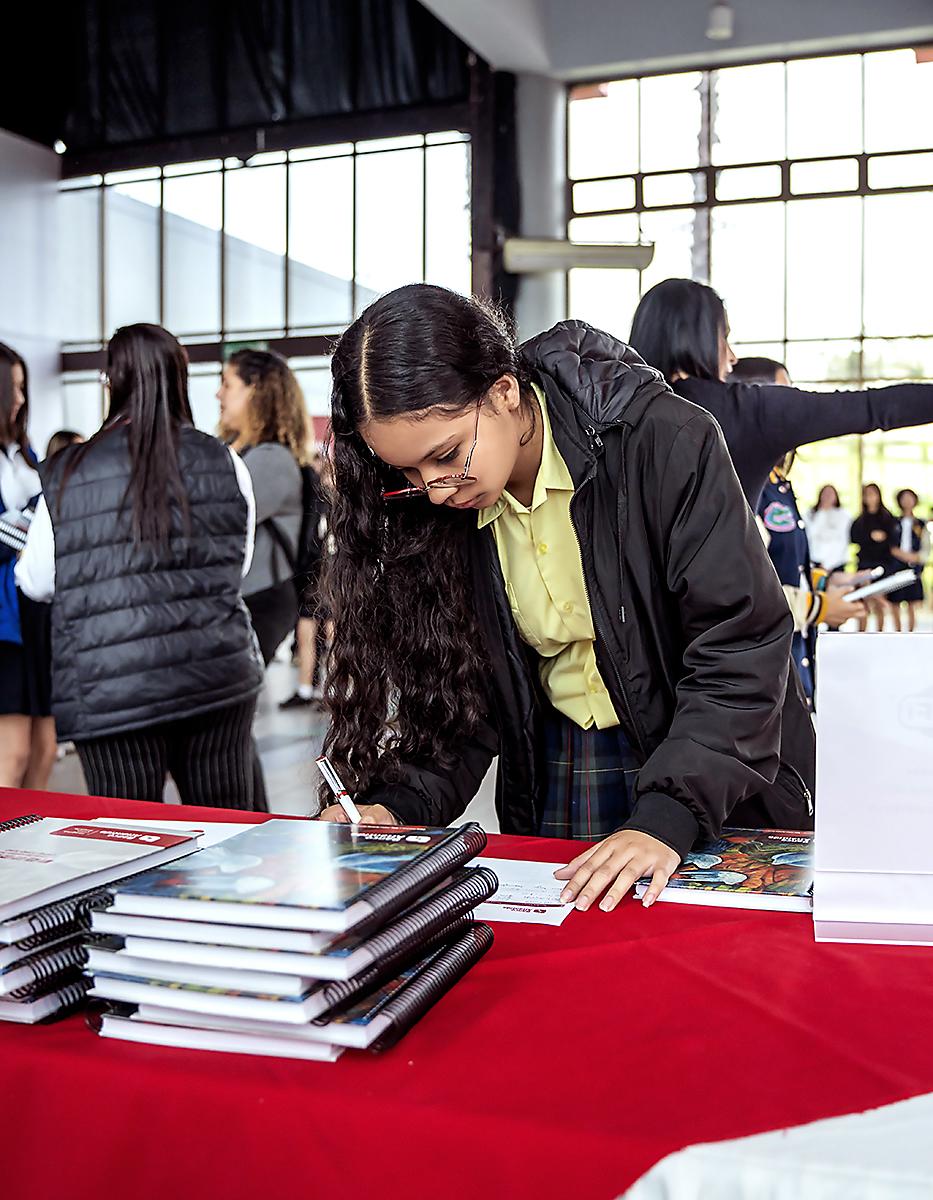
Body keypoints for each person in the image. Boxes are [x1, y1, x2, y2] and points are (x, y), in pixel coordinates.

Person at [316, 284, 814, 913]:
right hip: (557, 763)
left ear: (503, 390)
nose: (435, 489)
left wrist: (667, 813)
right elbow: (462, 689)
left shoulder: (662, 441)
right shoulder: (445, 510)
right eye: (410, 475)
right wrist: (399, 804)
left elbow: (740, 644)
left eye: (445, 456)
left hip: (705, 769)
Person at [16, 324, 265, 808]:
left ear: (113, 380)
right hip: (216, 677)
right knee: (232, 839)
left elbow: (37, 579)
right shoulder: (224, 459)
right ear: (180, 379)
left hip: (112, 690)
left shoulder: (70, 470)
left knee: (128, 840)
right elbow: (239, 562)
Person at [628, 279, 933, 511]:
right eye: (723, 338)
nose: (732, 357)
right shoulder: (749, 412)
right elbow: (873, 408)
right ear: (695, 340)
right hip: (718, 594)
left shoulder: (611, 412)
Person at [730, 357, 865, 706]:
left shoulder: (779, 485)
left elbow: (784, 562)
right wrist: (817, 606)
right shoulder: (744, 486)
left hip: (795, 654)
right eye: (786, 392)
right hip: (764, 666)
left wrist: (826, 582)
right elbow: (738, 589)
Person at [218, 350, 307, 665]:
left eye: (227, 384)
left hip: (260, 599)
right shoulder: (246, 452)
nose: (218, 393)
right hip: (248, 598)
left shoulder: (270, 459)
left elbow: (217, 519)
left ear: (255, 390)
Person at [0, 342, 57, 789]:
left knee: (46, 745)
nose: (20, 399)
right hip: (5, 622)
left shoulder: (24, 453)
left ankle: (25, 842)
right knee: (14, 749)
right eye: (13, 388)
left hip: (35, 608)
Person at [280, 449, 331, 709]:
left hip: (329, 574)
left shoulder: (332, 502)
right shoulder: (315, 501)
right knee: (308, 632)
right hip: (316, 573)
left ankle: (332, 690)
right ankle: (308, 689)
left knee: (330, 633)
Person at [850, 483, 901, 632]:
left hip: (883, 563)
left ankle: (879, 633)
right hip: (865, 563)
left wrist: (883, 538)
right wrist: (870, 536)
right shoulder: (860, 520)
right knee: (863, 599)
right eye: (867, 494)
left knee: (879, 601)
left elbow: (894, 541)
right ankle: (861, 633)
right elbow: (854, 538)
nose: (870, 497)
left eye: (873, 494)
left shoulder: (888, 518)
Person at [890, 488, 929, 631]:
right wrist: (900, 554)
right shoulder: (894, 523)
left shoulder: (920, 524)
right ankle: (898, 631)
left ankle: (911, 633)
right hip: (896, 565)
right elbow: (891, 546)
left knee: (912, 601)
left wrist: (917, 557)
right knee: (895, 600)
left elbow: (925, 546)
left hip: (914, 564)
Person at [805, 484, 853, 574]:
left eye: (831, 494)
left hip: (836, 563)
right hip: (814, 562)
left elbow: (842, 540)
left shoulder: (844, 515)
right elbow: (809, 535)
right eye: (825, 493)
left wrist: (828, 564)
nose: (827, 497)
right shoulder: (810, 514)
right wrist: (821, 512)